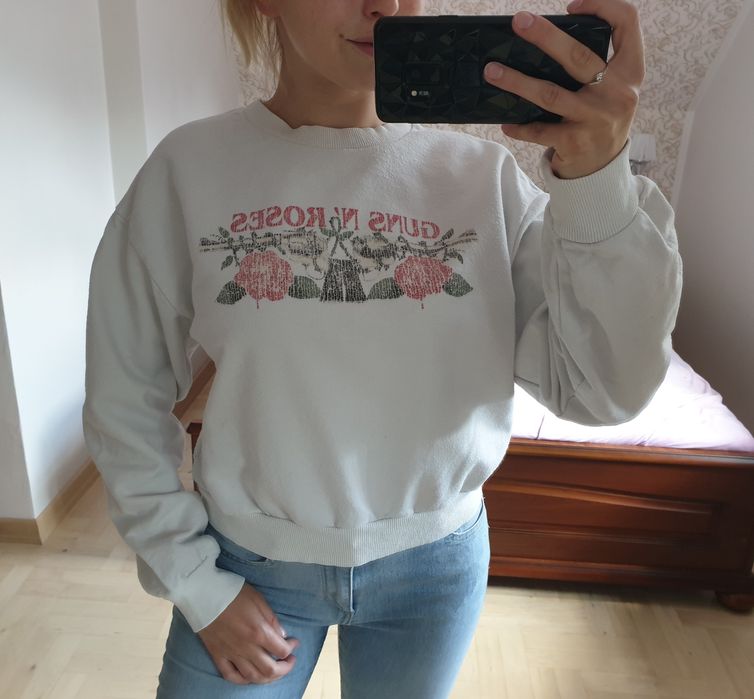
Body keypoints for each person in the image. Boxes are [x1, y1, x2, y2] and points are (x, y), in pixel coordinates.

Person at [81, 0, 682, 696]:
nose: (386, 5)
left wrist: (599, 183)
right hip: (247, 564)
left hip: (435, 570)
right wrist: (193, 579)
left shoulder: (484, 180)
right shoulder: (189, 169)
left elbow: (602, 390)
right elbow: (124, 394)